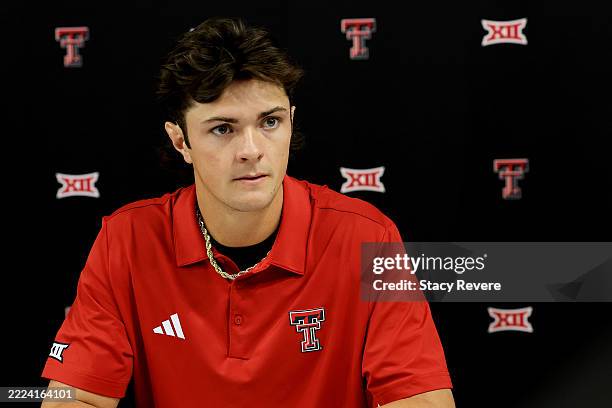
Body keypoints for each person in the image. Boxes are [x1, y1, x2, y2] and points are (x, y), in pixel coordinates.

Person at [41, 17, 455, 408]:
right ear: (180, 141)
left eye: (270, 122)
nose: (252, 150)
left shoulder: (367, 236)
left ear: (291, 122)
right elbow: (76, 395)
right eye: (223, 129)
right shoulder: (127, 239)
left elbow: (419, 396)